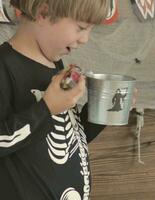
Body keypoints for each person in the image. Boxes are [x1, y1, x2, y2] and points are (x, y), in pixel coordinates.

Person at [0, 0, 110, 199]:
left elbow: (63, 143)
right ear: (43, 13)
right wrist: (46, 107)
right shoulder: (4, 67)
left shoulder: (56, 65)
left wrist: (103, 111)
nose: (85, 39)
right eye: (81, 28)